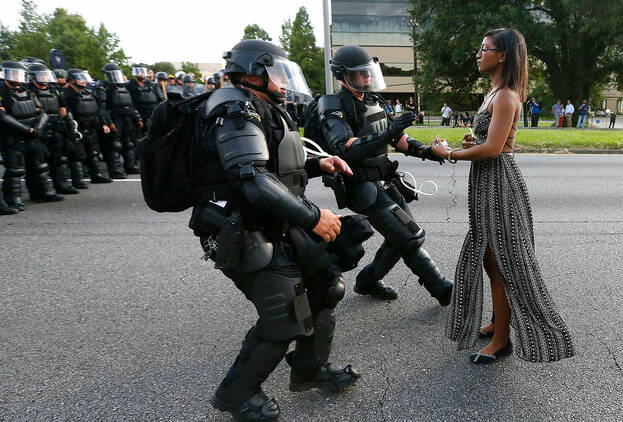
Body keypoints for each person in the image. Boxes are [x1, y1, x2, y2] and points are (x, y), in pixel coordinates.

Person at [184, 39, 363, 422]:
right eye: (277, 71)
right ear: (253, 72)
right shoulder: (234, 109)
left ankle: (309, 368)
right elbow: (250, 178)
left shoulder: (260, 106)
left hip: (276, 223)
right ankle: (236, 394)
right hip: (245, 230)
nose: (284, 80)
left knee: (325, 286)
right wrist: (315, 217)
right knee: (283, 316)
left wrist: (319, 165)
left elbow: (274, 167)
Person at [430, 28, 575, 365]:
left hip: (499, 184)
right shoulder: (493, 93)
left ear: (503, 55)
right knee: (489, 257)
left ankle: (502, 340)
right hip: (487, 182)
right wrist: (471, 144)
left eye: (485, 49)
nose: (479, 54)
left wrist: (449, 153)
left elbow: (495, 149)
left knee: (503, 262)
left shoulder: (507, 95)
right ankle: (499, 321)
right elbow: (487, 142)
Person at [317, 45, 453, 305]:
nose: (367, 79)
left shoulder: (373, 100)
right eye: (361, 74)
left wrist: (429, 152)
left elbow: (399, 139)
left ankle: (368, 281)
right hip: (360, 184)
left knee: (400, 236)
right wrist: (389, 133)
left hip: (385, 179)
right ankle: (441, 288)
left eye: (369, 73)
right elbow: (345, 148)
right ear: (343, 75)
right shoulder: (332, 104)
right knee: (410, 235)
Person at [1, 60, 65, 211]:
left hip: (33, 135)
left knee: (39, 166)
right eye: (13, 74)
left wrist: (37, 128)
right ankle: (13, 199)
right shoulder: (2, 93)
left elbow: (42, 112)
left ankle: (43, 192)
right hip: (13, 137)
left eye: (19, 74)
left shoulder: (28, 91)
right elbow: (3, 117)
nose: (16, 78)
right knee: (15, 170)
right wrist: (27, 130)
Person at [27, 62, 79, 195]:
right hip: (39, 130)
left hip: (56, 128)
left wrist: (68, 125)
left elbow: (62, 109)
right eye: (41, 75)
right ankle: (39, 191)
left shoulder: (54, 90)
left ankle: (61, 185)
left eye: (46, 75)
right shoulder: (29, 91)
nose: (44, 77)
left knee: (59, 159)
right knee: (38, 163)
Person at [64, 69, 114, 186]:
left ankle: (97, 175)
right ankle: (78, 180)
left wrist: (103, 123)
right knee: (77, 155)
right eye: (80, 78)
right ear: (72, 80)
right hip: (77, 129)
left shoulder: (89, 93)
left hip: (91, 127)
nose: (83, 81)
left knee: (93, 153)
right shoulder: (67, 95)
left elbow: (98, 110)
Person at [96, 62, 143, 177]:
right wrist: (108, 122)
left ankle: (130, 166)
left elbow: (131, 105)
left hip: (127, 119)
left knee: (129, 143)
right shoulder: (103, 88)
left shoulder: (124, 87)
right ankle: (116, 170)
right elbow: (102, 107)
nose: (115, 76)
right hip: (115, 118)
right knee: (114, 145)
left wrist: (137, 118)